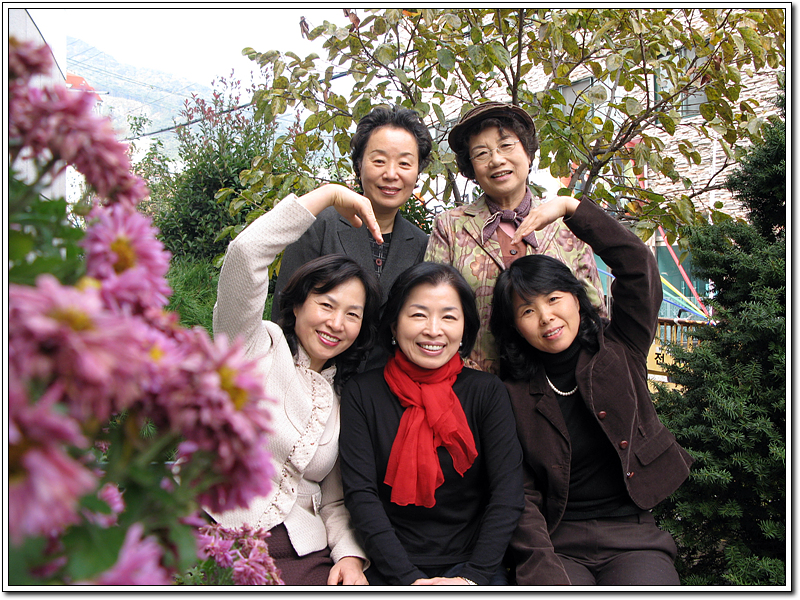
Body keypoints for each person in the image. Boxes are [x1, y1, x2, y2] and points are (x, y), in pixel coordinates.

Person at [489, 194, 694, 586]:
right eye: (528, 311)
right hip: (558, 542)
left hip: (633, 537)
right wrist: (541, 565)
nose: (546, 317)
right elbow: (521, 492)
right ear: (514, 326)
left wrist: (572, 208)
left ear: (576, 299)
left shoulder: (621, 346)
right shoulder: (511, 393)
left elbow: (638, 267)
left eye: (554, 299)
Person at [211, 184, 386, 585]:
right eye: (326, 305)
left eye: (353, 314)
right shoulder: (252, 347)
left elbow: (335, 500)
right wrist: (327, 196)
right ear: (297, 304)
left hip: (297, 553)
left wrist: (349, 556)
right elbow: (245, 254)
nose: (336, 323)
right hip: (211, 530)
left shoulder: (344, 397)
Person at [339, 262, 524, 586]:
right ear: (394, 324)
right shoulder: (362, 392)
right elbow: (361, 495)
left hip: (474, 565)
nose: (434, 330)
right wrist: (408, 579)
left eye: (449, 317)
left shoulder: (486, 392)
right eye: (418, 315)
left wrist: (472, 577)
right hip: (388, 565)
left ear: (465, 328)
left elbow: (507, 493)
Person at [426, 101, 605, 373]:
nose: (496, 160)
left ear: (528, 153)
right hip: (473, 385)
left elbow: (594, 309)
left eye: (506, 145)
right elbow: (432, 309)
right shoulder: (449, 227)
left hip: (557, 383)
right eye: (481, 153)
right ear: (471, 168)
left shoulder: (564, 222)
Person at [273, 106, 433, 370]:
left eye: (404, 163)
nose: (391, 173)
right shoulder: (320, 224)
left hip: (383, 386)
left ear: (417, 173)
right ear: (359, 165)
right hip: (312, 375)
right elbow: (284, 309)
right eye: (379, 161)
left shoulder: (420, 244)